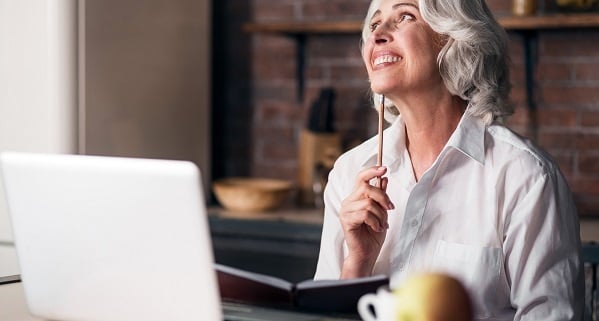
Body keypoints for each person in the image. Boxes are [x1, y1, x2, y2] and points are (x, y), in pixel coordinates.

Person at [313, 0, 584, 320]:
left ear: (455, 38)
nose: (378, 35)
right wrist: (357, 261)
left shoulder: (525, 176)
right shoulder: (348, 173)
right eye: (373, 25)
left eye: (404, 17)